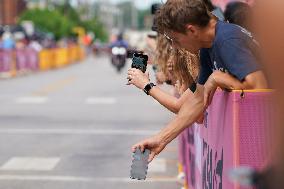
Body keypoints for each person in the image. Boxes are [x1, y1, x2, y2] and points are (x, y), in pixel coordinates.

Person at [128, 0, 268, 162]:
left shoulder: (227, 39)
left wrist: (217, 77)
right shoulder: (209, 45)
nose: (174, 46)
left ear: (191, 30)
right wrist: (161, 139)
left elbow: (259, 87)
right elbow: (197, 102)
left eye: (175, 39)